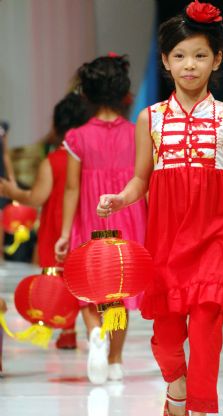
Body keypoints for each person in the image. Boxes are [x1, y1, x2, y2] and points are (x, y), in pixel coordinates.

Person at [97, 1, 223, 416]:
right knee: (167, 338)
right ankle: (175, 384)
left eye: (198, 55)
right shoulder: (150, 119)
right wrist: (120, 198)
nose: (189, 65)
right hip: (167, 242)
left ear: (217, 59)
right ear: (166, 61)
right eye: (179, 56)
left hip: (218, 236)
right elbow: (141, 179)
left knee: (208, 330)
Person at [55, 54, 147, 384]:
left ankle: (95, 331)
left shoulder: (78, 137)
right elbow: (145, 183)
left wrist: (65, 232)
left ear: (88, 94)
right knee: (119, 289)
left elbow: (70, 188)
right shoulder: (138, 134)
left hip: (91, 215)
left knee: (88, 284)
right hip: (128, 218)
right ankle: (116, 360)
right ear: (123, 92)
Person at [0, 93, 90, 348]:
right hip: (85, 228)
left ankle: (67, 332)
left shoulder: (54, 161)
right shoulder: (90, 160)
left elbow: (36, 197)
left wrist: (11, 192)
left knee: (59, 281)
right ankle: (95, 332)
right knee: (85, 281)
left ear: (57, 126)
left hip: (57, 230)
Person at [0, 121, 15, 262]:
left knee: (0, 216)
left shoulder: (2, 127)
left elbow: (5, 154)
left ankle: (0, 254)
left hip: (0, 179)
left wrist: (11, 179)